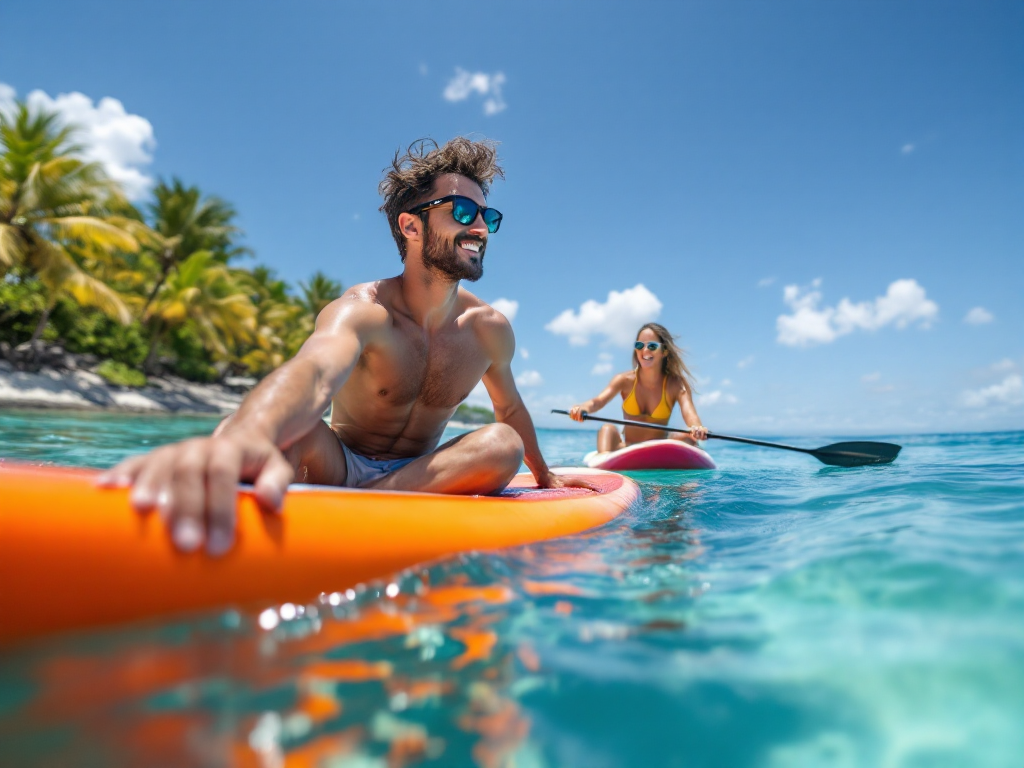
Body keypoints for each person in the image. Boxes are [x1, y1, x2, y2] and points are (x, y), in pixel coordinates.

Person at [99, 137, 586, 556]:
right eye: (462, 212)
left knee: (502, 444)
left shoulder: (488, 329)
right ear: (411, 226)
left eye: (487, 216)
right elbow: (314, 371)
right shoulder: (364, 310)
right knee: (246, 429)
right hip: (336, 463)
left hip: (428, 471)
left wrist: (545, 477)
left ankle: (372, 501)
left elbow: (510, 408)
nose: (479, 227)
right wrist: (249, 431)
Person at [568, 323, 709, 451]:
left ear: (664, 351)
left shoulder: (676, 384)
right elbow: (598, 401)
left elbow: (690, 415)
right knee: (606, 429)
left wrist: (697, 428)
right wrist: (582, 408)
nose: (645, 350)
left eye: (652, 346)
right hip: (628, 447)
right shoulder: (624, 380)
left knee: (686, 438)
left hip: (659, 449)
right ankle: (602, 467)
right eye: (640, 345)